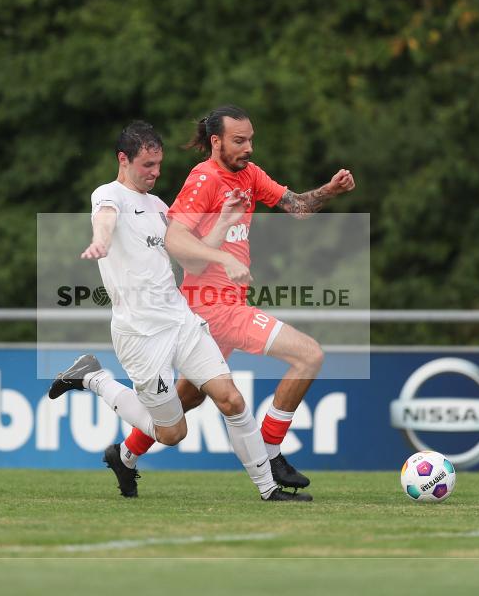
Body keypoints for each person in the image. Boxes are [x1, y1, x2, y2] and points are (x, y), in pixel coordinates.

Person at [47, 120, 310, 502]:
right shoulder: (108, 195)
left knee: (231, 399)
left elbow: (194, 261)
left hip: (181, 321)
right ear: (124, 159)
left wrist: (223, 222)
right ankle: (93, 378)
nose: (155, 174)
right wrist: (100, 241)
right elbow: (104, 220)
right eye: (147, 166)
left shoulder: (156, 206)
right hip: (140, 336)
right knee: (172, 433)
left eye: (159, 165)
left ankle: (269, 489)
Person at [115, 104, 355, 492]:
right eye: (239, 141)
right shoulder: (203, 179)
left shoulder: (249, 175)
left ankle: (124, 456)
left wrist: (330, 189)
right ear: (216, 141)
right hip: (213, 306)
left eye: (250, 140)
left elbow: (296, 207)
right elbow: (175, 240)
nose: (249, 148)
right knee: (309, 355)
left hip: (220, 307)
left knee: (185, 401)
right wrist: (222, 256)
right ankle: (271, 453)